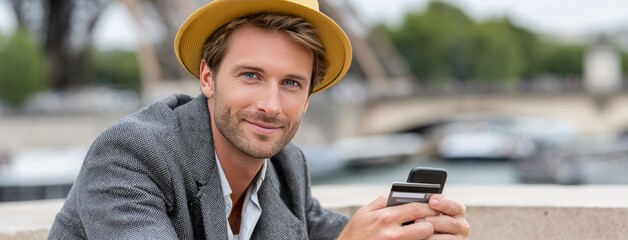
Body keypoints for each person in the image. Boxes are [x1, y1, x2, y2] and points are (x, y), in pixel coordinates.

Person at [49, 0, 469, 239]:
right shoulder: (131, 155)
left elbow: (338, 233)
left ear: (307, 100)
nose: (271, 104)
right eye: (251, 76)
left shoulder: (287, 170)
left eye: (291, 83)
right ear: (208, 78)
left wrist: (412, 227)